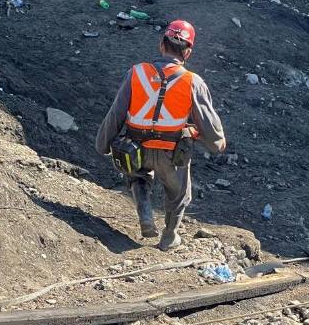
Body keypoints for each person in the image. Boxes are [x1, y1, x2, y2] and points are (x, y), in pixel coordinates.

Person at [95, 20, 226, 251]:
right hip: (172, 155)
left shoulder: (136, 73)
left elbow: (116, 113)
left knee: (137, 174)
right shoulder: (193, 82)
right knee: (179, 194)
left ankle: (145, 211)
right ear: (188, 52)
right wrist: (217, 143)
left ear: (161, 45)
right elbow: (209, 126)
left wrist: (103, 144)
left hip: (135, 150)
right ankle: (169, 236)